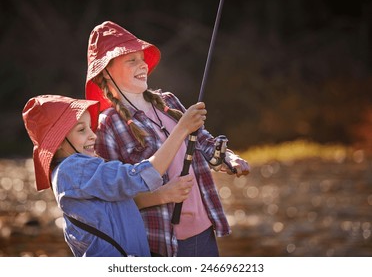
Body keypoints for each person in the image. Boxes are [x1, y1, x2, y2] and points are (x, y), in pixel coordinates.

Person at [85, 21, 250, 257]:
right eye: (131, 60)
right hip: (161, 244)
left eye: (142, 58)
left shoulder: (168, 101)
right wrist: (161, 195)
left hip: (204, 231)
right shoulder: (106, 125)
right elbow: (110, 201)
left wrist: (229, 158)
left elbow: (203, 141)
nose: (142, 64)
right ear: (106, 73)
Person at [22, 94, 206, 257]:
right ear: (59, 142)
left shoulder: (70, 172)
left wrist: (162, 195)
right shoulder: (74, 168)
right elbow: (141, 176)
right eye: (81, 130)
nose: (93, 135)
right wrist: (181, 129)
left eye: (90, 127)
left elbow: (114, 205)